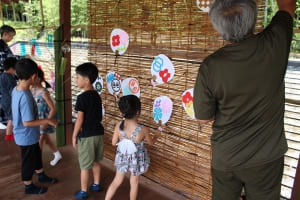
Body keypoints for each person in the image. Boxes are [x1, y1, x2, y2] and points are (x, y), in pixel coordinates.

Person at [193, 0, 296, 200]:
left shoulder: (211, 67)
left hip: (227, 158)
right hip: (267, 157)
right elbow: (288, 6)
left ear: (218, 28)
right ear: (253, 17)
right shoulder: (276, 42)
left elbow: (203, 119)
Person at [11, 58, 58, 194]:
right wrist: (47, 121)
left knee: (36, 155)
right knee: (28, 162)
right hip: (26, 135)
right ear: (33, 77)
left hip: (28, 135)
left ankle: (41, 175)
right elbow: (27, 122)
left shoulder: (16, 89)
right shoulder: (25, 96)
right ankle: (28, 185)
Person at [105, 95, 161, 200]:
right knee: (134, 183)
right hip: (137, 159)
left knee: (117, 181)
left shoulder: (118, 125)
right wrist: (157, 135)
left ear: (122, 112)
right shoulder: (143, 129)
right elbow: (151, 143)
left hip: (122, 157)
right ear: (137, 112)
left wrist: (123, 140)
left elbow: (113, 143)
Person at [72, 62, 104, 199]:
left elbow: (80, 119)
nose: (76, 80)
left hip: (87, 136)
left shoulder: (82, 98)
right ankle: (96, 184)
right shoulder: (97, 95)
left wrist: (74, 136)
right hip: (99, 134)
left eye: (77, 77)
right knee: (96, 161)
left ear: (86, 80)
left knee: (85, 166)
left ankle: (84, 191)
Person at [32, 67, 62, 166]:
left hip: (45, 120)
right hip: (38, 120)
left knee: (39, 142)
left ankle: (37, 165)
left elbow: (53, 108)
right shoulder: (33, 90)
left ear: (39, 79)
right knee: (46, 139)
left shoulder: (44, 92)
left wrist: (47, 122)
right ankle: (57, 154)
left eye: (33, 77)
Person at [0, 57, 17, 140]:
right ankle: (8, 135)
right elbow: (13, 92)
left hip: (4, 100)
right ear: (11, 68)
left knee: (10, 117)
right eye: (15, 69)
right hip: (10, 100)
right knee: (12, 118)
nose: (15, 71)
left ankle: (10, 133)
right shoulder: (10, 78)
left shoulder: (2, 76)